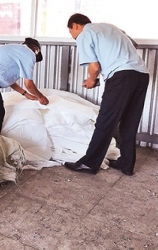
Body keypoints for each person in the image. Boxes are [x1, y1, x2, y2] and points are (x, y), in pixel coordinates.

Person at [64, 13, 149, 176]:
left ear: (75, 25)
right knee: (129, 122)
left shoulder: (84, 34)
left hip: (121, 77)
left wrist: (90, 80)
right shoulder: (111, 27)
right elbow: (134, 44)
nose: (73, 37)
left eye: (71, 33)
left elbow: (94, 67)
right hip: (141, 75)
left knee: (105, 121)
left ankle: (89, 164)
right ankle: (126, 163)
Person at [0, 38, 49, 134]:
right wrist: (41, 97)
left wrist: (25, 94)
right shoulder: (29, 54)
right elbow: (29, 84)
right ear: (36, 49)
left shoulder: (15, 51)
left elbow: (9, 80)